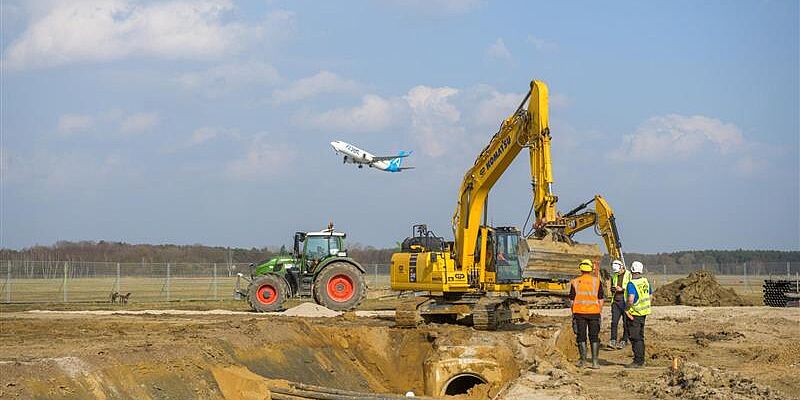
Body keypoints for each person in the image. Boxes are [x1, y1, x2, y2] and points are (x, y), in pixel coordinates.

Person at [569, 259, 605, 368]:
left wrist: (573, 311)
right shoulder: (597, 281)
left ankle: (583, 362)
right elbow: (601, 299)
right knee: (594, 336)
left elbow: (571, 300)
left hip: (579, 313)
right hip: (594, 312)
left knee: (581, 336)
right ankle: (595, 362)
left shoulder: (575, 282)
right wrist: (599, 310)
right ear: (590, 269)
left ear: (581, 269)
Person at [625, 260, 652, 368]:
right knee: (640, 336)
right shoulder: (645, 281)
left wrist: (626, 309)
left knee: (635, 337)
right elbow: (650, 296)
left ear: (631, 270)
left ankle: (638, 361)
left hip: (634, 313)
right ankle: (641, 359)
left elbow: (630, 299)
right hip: (643, 313)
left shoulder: (632, 284)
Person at [608, 259, 631, 349]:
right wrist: (613, 289)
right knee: (614, 322)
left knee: (626, 323)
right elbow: (612, 287)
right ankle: (613, 340)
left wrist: (622, 289)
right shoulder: (614, 276)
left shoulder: (629, 275)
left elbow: (632, 287)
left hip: (625, 302)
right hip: (616, 301)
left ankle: (624, 340)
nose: (617, 273)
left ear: (622, 267)